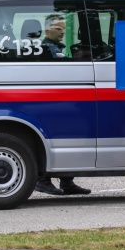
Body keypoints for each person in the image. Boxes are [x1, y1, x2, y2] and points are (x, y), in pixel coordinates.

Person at [36, 14, 91, 196]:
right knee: (55, 136)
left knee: (69, 136)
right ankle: (43, 180)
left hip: (59, 98)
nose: (62, 31)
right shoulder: (46, 48)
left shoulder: (56, 47)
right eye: (58, 28)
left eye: (63, 28)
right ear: (47, 30)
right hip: (52, 99)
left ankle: (67, 180)